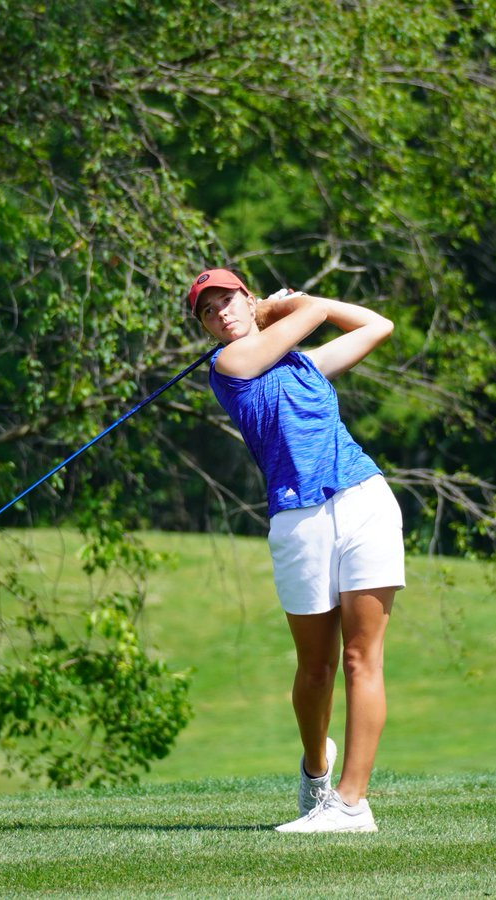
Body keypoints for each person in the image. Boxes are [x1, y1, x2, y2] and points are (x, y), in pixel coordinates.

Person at [185, 267, 405, 834]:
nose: (221, 313)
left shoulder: (305, 364)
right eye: (208, 311)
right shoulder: (229, 367)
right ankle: (315, 769)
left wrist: (299, 301)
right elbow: (312, 316)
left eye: (228, 300)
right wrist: (283, 308)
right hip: (298, 518)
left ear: (246, 297)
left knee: (361, 658)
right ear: (206, 328)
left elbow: (378, 325)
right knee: (316, 668)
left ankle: (351, 805)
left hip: (364, 498)